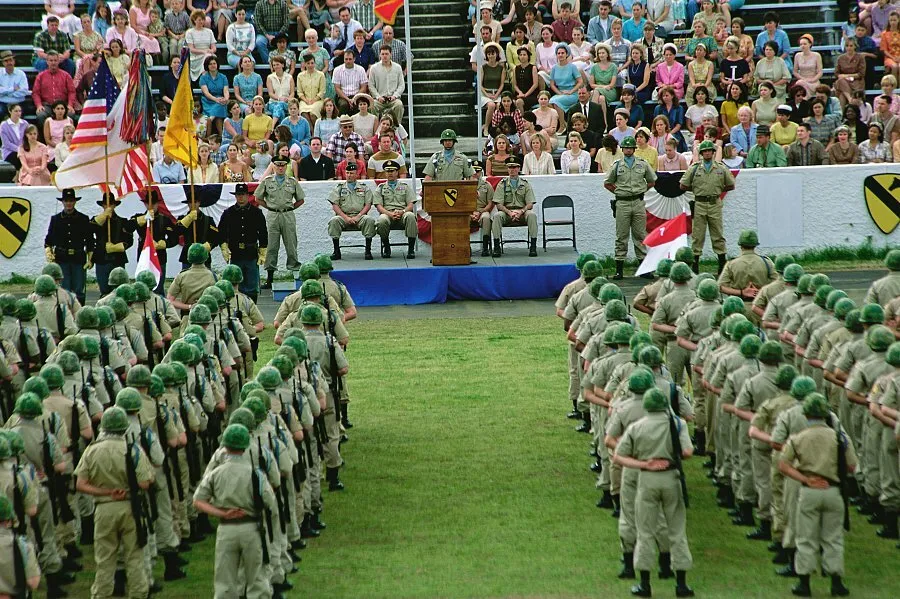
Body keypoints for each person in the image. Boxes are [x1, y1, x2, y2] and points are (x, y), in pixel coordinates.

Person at [613, 385, 695, 598]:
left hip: (647, 479)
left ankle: (645, 584)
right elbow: (688, 452)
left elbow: (619, 456)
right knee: (677, 531)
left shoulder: (637, 427)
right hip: (672, 478)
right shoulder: (677, 423)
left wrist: (644, 464)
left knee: (645, 531)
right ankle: (681, 584)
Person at [778, 394, 857, 598]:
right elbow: (852, 466)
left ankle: (804, 583)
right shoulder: (839, 437)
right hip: (833, 491)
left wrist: (805, 479)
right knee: (833, 538)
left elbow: (783, 465)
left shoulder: (798, 437)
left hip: (809, 491)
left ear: (806, 414)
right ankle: (836, 583)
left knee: (805, 537)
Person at [75, 407, 153, 599]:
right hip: (130, 507)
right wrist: (126, 489)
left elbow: (80, 484)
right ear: (124, 428)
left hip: (104, 509)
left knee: (104, 559)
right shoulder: (133, 449)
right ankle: (138, 593)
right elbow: (145, 482)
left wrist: (107, 492)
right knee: (134, 556)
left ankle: (101, 594)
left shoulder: (91, 450)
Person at [193, 423, 276, 599]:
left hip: (226, 529)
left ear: (225, 446)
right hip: (252, 528)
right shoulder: (256, 474)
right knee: (257, 579)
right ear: (245, 447)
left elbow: (198, 501)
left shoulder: (216, 473)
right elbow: (270, 502)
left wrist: (221, 513)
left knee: (224, 583)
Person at [604, 135, 656, 279]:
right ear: (622, 149)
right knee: (621, 236)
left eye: (630, 148)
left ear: (634, 149)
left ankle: (644, 269)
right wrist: (619, 192)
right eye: (625, 148)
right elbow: (607, 183)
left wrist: (641, 190)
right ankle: (619, 270)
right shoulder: (617, 165)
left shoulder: (642, 164)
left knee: (640, 236)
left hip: (638, 202)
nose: (628, 150)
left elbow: (652, 181)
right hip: (622, 203)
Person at [680, 140, 735, 274]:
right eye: (705, 151)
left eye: (709, 151)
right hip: (699, 203)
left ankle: (722, 264)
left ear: (713, 152)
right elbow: (683, 185)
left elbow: (731, 185)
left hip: (715, 203)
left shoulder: (721, 168)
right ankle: (695, 265)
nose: (707, 153)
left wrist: (717, 190)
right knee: (697, 235)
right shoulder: (694, 168)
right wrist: (697, 190)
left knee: (718, 234)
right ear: (701, 153)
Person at [255, 158, 304, 286]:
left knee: (291, 244)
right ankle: (270, 278)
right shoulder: (267, 181)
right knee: (272, 245)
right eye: (278, 165)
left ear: (286, 166)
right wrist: (270, 207)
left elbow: (300, 199)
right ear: (274, 166)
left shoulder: (292, 182)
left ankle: (295, 275)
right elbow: (257, 198)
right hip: (273, 215)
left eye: (283, 165)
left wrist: (290, 208)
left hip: (288, 215)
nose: (280, 168)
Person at [218, 183, 268, 299]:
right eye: (238, 195)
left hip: (251, 253)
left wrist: (263, 250)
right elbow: (221, 232)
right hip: (235, 253)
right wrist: (224, 247)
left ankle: (252, 307)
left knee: (252, 286)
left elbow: (263, 233)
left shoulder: (256, 212)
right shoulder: (228, 213)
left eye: (243, 194)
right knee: (236, 285)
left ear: (248, 195)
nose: (241, 197)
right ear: (235, 196)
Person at [45, 188, 93, 306]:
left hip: (78, 259)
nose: (69, 203)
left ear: (75, 202)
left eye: (71, 201)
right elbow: (49, 240)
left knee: (79, 291)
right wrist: (49, 253)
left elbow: (90, 241)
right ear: (62, 202)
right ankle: (65, 313)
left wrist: (90, 259)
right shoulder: (56, 219)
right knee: (64, 290)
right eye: (66, 201)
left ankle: (80, 313)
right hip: (62, 259)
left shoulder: (83, 219)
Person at [718, 229, 777, 319]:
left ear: (740, 246)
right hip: (761, 309)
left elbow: (720, 287)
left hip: (738, 310)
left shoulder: (731, 264)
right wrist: (762, 291)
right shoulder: (767, 262)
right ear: (755, 245)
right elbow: (777, 283)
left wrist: (742, 292)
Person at [326, 162, 376, 260]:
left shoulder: (364, 188)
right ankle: (336, 251)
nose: (349, 175)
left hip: (360, 216)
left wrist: (358, 216)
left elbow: (368, 205)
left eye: (351, 173)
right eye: (347, 173)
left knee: (369, 220)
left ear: (356, 174)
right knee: (334, 221)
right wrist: (346, 217)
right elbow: (335, 205)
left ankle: (368, 251)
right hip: (344, 216)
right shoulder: (339, 188)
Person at [491, 156, 538, 258]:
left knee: (532, 215)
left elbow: (530, 203)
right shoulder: (502, 184)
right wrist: (510, 212)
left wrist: (521, 211)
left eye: (515, 167)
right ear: (507, 169)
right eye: (510, 167)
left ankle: (533, 246)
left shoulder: (525, 184)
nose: (512, 170)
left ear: (519, 168)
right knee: (497, 216)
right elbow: (498, 204)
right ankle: (497, 247)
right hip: (507, 213)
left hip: (522, 213)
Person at [92, 192, 136, 295]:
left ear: (114, 205)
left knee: (119, 291)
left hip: (117, 260)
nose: (108, 207)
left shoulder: (122, 221)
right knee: (104, 291)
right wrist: (103, 217)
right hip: (101, 260)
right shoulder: (96, 220)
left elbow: (129, 240)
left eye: (110, 204)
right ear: (102, 205)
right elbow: (89, 230)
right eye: (106, 204)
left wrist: (116, 247)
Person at [374, 160, 417, 259]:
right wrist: (390, 214)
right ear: (385, 173)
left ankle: (411, 249)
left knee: (410, 216)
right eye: (388, 171)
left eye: (392, 171)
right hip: (388, 214)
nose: (390, 173)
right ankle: (386, 247)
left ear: (397, 172)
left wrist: (403, 211)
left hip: (402, 214)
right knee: (381, 220)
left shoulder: (405, 187)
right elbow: (379, 206)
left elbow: (411, 204)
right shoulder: (381, 188)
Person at [369, 46, 406, 127]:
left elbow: (401, 85)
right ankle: (376, 128)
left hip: (393, 99)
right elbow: (371, 85)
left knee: (399, 105)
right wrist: (378, 97)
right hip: (379, 99)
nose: (384, 56)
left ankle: (395, 128)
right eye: (382, 54)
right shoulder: (374, 68)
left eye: (386, 54)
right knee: (373, 105)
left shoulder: (397, 67)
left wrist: (395, 96)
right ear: (380, 55)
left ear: (390, 54)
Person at [833, 38, 867, 109]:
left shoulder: (860, 57)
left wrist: (846, 76)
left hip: (856, 81)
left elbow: (861, 74)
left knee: (842, 94)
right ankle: (850, 99)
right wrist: (842, 77)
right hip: (843, 82)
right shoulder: (840, 58)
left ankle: (845, 110)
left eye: (851, 46)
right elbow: (836, 73)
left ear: (855, 46)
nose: (849, 48)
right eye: (847, 46)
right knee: (840, 81)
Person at [332, 50, 368, 115]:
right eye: (346, 59)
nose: (348, 61)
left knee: (358, 105)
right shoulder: (337, 70)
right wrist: (348, 99)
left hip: (357, 96)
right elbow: (337, 88)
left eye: (350, 59)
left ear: (354, 59)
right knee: (343, 105)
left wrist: (354, 98)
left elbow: (363, 87)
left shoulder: (361, 69)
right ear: (343, 59)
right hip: (343, 97)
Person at [185, 8, 217, 80]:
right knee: (208, 58)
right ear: (194, 20)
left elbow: (214, 47)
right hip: (196, 57)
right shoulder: (189, 32)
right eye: (199, 20)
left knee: (210, 58)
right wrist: (204, 52)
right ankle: (205, 79)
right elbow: (191, 49)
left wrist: (211, 51)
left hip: (208, 54)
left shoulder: (209, 32)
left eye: (203, 19)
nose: (201, 21)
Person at [0, 51, 30, 119]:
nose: (9, 63)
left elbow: (24, 91)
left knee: (18, 112)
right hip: (2, 102)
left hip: (18, 102)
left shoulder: (21, 74)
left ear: (14, 61)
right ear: (3, 63)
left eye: (11, 60)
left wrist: (5, 92)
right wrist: (13, 89)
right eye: (6, 61)